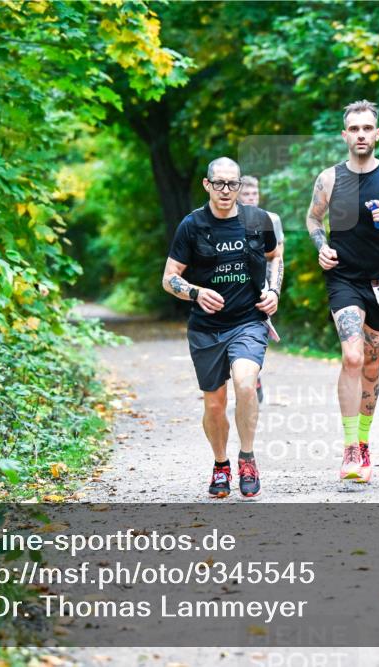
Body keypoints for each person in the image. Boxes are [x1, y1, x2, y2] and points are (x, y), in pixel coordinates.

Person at [305, 100, 379, 483]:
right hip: (344, 280)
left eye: (366, 128)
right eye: (353, 129)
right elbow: (312, 217)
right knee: (353, 357)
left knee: (372, 368)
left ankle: (364, 442)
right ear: (345, 135)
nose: (360, 134)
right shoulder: (328, 178)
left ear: (377, 134)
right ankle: (349, 450)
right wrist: (321, 245)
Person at [162, 158, 282, 498]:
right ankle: (220, 464)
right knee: (214, 405)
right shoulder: (192, 226)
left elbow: (275, 256)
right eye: (220, 184)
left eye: (233, 184)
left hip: (248, 321)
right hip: (206, 328)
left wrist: (273, 290)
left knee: (246, 383)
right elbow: (169, 278)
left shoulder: (258, 221)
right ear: (207, 185)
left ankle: (247, 458)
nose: (226, 190)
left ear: (240, 184)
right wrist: (196, 292)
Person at [238, 175, 285, 404]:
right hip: (236, 285)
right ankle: (248, 378)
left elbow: (278, 256)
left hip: (263, 287)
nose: (251, 198)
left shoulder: (271, 219)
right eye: (246, 194)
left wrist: (274, 290)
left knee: (258, 332)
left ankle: (252, 376)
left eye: (254, 194)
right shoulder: (229, 219)